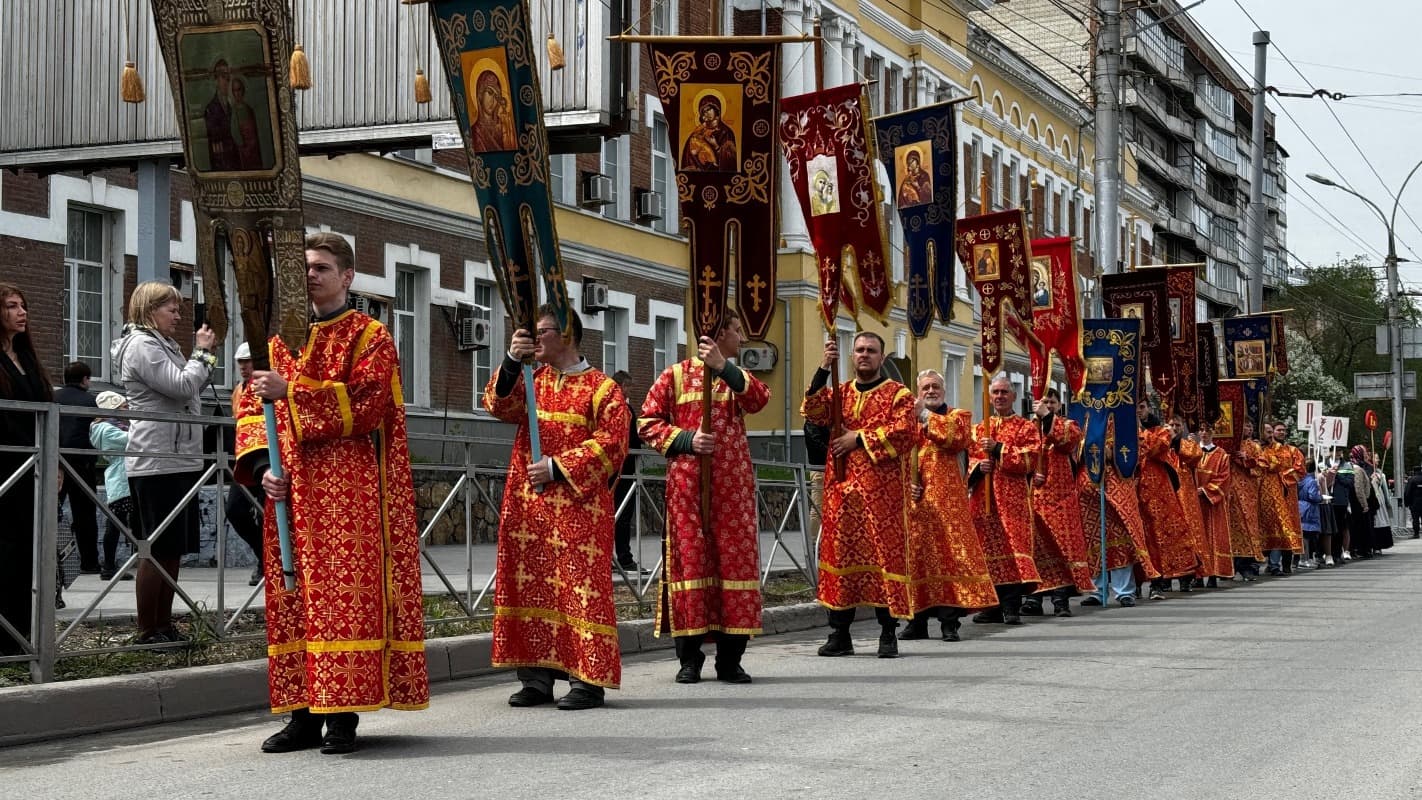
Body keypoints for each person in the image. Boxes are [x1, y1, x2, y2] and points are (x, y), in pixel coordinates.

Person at [236, 233, 429, 754]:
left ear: (346, 276)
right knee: (293, 598)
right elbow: (251, 407)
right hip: (290, 487)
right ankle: (300, 716)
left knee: (341, 599)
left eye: (321, 267)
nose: (311, 275)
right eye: (303, 268)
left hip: (347, 489)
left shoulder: (371, 336)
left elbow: (367, 405)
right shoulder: (276, 344)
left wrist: (292, 392)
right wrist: (260, 466)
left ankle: (341, 717)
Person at [484, 305, 629, 710]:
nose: (533, 339)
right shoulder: (532, 379)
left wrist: (557, 466)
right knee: (531, 584)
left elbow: (613, 443)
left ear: (566, 335)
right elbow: (498, 405)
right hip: (529, 508)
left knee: (581, 590)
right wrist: (513, 360)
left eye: (541, 332)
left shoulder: (602, 389)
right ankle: (536, 678)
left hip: (579, 511)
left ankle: (587, 680)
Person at [638, 312, 769, 683]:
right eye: (739, 330)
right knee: (690, 568)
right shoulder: (674, 376)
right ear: (722, 331)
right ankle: (689, 659)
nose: (742, 338)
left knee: (733, 568)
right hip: (687, 491)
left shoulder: (734, 377)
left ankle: (730, 659)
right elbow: (646, 422)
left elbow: (759, 399)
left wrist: (722, 366)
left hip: (733, 494)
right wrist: (686, 440)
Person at [112, 281, 217, 647]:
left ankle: (163, 625)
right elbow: (181, 386)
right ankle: (147, 629)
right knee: (155, 548)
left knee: (172, 548)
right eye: (170, 308)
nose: (178, 315)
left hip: (178, 457)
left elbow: (189, 386)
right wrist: (202, 354)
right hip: (157, 459)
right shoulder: (142, 345)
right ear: (149, 310)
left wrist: (202, 360)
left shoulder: (163, 344)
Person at [802, 333, 915, 658]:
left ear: (881, 357)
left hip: (882, 499)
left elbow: (905, 433)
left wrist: (859, 439)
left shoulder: (898, 394)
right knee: (840, 558)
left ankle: (887, 633)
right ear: (851, 356)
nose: (865, 355)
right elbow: (812, 411)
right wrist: (824, 367)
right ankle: (840, 633)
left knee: (883, 560)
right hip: (842, 495)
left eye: (871, 351)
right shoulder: (840, 392)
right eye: (860, 350)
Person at [899, 369, 997, 641]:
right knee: (916, 560)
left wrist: (925, 416)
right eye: (925, 388)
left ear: (943, 390)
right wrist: (908, 481)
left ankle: (949, 623)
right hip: (917, 503)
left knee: (950, 559)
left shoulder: (958, 416)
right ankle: (916, 621)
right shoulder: (908, 421)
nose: (930, 391)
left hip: (949, 504)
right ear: (918, 392)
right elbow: (900, 454)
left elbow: (956, 439)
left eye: (935, 386)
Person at [0, 283, 54, 656]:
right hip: (6, 467)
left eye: (23, 305)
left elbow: (47, 408)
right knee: (5, 551)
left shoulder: (27, 356)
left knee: (30, 552)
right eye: (11, 306)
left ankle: (24, 638)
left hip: (35, 469)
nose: (21, 312)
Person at [968, 375, 1044, 625]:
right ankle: (991, 606)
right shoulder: (980, 428)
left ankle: (1011, 606)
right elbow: (968, 459)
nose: (999, 396)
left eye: (1004, 392)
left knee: (1013, 550)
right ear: (989, 397)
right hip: (983, 499)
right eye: (995, 393)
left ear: (1013, 396)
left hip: (1012, 500)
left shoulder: (1025, 427)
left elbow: (1031, 458)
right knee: (987, 551)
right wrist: (980, 467)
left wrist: (999, 449)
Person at [1021, 388, 1094, 617]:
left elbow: (1068, 442)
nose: (1048, 405)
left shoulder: (1068, 424)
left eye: (1051, 402)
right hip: (1034, 497)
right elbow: (1020, 456)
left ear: (1058, 404)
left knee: (1063, 548)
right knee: (1037, 550)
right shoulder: (1028, 428)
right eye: (1044, 402)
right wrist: (1032, 472)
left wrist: (1047, 417)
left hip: (1060, 499)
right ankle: (1034, 598)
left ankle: (1060, 600)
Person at [55, 360, 101, 574]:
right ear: (85, 379)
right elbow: (96, 431)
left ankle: (47, 559)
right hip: (82, 463)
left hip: (56, 463)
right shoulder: (90, 401)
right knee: (85, 515)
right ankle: (89, 563)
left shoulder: (53, 398)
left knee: (51, 512)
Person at [226, 342, 265, 586]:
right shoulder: (238, 390)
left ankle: (268, 563)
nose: (244, 366)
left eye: (248, 361)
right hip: (244, 459)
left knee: (266, 513)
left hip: (267, 458)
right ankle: (263, 555)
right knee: (235, 510)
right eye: (240, 362)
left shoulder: (266, 385)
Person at [89, 391, 135, 582]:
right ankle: (108, 566)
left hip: (123, 479)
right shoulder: (107, 430)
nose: (128, 410)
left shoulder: (114, 426)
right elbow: (131, 440)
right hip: (122, 480)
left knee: (119, 524)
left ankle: (110, 565)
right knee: (116, 525)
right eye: (124, 407)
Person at [1167, 414, 1210, 591]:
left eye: (1177, 425)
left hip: (1185, 497)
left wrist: (1176, 443)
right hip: (1167, 496)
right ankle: (1166, 579)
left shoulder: (1188, 444)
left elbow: (1195, 456)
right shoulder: (1159, 442)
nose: (1174, 428)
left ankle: (1188, 576)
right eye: (1171, 425)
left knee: (1189, 535)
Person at [611, 369, 644, 575]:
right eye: (629, 387)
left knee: (612, 516)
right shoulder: (624, 409)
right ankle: (624, 558)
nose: (630, 390)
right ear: (622, 386)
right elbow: (631, 438)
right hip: (625, 470)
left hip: (612, 469)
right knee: (622, 516)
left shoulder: (609, 406)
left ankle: (610, 558)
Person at [1194, 421, 1234, 587]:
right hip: (1194, 501)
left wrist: (1206, 490)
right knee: (1197, 536)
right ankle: (1197, 575)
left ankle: (1213, 575)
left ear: (1214, 432)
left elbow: (1224, 478)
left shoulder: (1222, 455)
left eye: (1208, 430)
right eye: (1201, 429)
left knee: (1213, 537)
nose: (1204, 433)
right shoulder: (1192, 451)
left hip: (1212, 502)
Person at [1256, 420, 1297, 575]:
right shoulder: (1254, 446)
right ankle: (1256, 565)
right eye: (1268, 432)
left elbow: (1275, 465)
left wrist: (1283, 479)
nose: (1271, 435)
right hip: (1255, 492)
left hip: (1275, 492)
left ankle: (1275, 565)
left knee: (1278, 527)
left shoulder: (1282, 449)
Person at [1228, 420, 1265, 579]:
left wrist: (1247, 458)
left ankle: (1248, 565)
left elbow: (1262, 465)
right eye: (1244, 425)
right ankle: (1232, 565)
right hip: (1230, 489)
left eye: (1250, 426)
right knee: (1232, 526)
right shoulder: (1229, 443)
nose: (1247, 429)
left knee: (1248, 526)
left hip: (1248, 492)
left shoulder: (1254, 447)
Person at [680, 94, 738, 172]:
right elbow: (688, 159)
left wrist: (716, 146)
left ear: (716, 109)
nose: (706, 113)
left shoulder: (726, 132)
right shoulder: (697, 133)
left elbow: (730, 163)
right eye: (704, 111)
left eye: (709, 109)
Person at [468, 70, 517, 152]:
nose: (493, 100)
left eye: (496, 96)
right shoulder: (475, 131)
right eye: (489, 92)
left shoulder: (504, 126)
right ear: (480, 94)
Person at [204, 59, 239, 171]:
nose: (227, 82)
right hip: (221, 162)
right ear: (216, 80)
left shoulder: (230, 105)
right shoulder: (211, 108)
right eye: (223, 77)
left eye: (228, 78)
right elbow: (215, 139)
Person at [230, 77, 264, 170]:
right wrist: (243, 146)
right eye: (234, 90)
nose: (237, 93)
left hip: (253, 148)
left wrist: (252, 144)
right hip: (243, 150)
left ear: (243, 90)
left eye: (239, 89)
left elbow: (255, 130)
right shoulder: (234, 111)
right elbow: (235, 131)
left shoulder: (249, 109)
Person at [1298, 460, 1324, 566]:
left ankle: (1303, 558)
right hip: (1309, 508)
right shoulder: (1312, 481)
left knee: (1303, 534)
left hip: (1300, 506)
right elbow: (1313, 495)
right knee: (1307, 535)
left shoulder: (1300, 479)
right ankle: (1305, 559)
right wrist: (1320, 497)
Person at [1404, 465, 1422, 539]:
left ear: (1414, 471)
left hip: (1414, 503)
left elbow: (1407, 492)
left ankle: (1416, 534)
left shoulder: (1412, 480)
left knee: (1415, 519)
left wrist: (1406, 503)